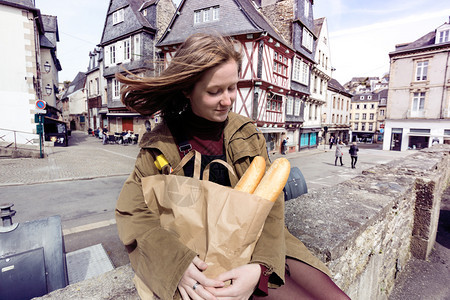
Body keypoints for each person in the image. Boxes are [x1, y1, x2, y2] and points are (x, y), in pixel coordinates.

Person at [115, 33, 349, 300]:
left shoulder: (247, 133)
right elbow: (133, 212)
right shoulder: (159, 146)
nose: (227, 100)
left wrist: (260, 267)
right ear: (186, 89)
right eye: (214, 91)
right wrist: (176, 265)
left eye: (232, 88)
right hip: (206, 261)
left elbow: (271, 207)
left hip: (264, 245)